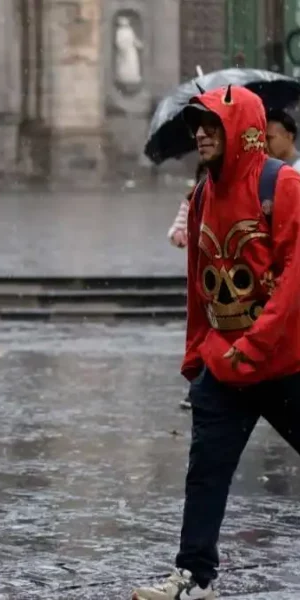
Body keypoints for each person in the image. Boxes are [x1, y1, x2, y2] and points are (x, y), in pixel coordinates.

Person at [132, 84, 300, 600]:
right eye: (196, 125)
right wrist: (195, 356)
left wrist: (253, 344)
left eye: (211, 125)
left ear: (243, 129)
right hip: (223, 367)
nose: (200, 134)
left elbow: (296, 276)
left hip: (284, 364)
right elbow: (199, 278)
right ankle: (194, 577)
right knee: (205, 475)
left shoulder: (284, 183)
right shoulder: (204, 192)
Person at [168, 163, 206, 411]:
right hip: (201, 275)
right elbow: (175, 233)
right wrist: (189, 236)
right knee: (202, 333)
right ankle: (198, 389)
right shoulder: (192, 199)